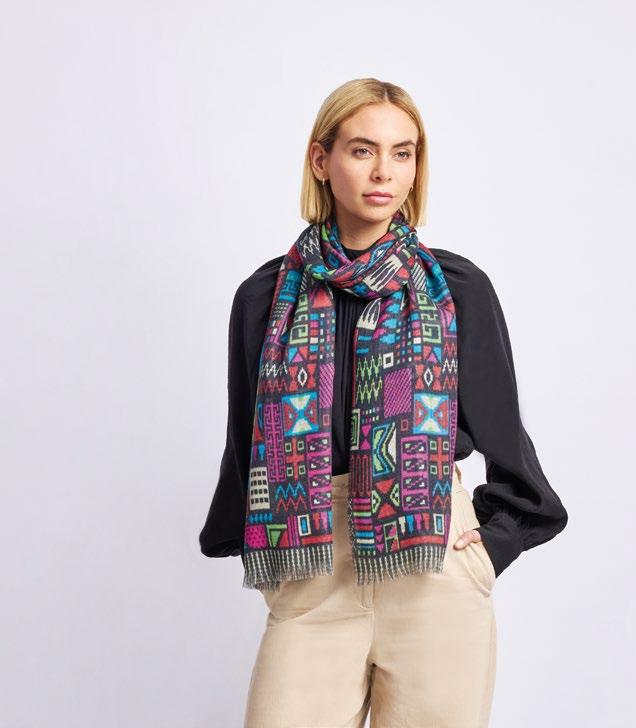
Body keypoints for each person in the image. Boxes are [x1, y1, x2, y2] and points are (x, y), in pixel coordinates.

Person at [199, 78, 568, 727]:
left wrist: (488, 551)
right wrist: (273, 567)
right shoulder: (265, 299)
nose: (384, 172)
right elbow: (245, 446)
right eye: (363, 150)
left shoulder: (456, 289)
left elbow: (509, 446)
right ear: (321, 160)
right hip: (314, 566)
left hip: (433, 571)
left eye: (403, 153)